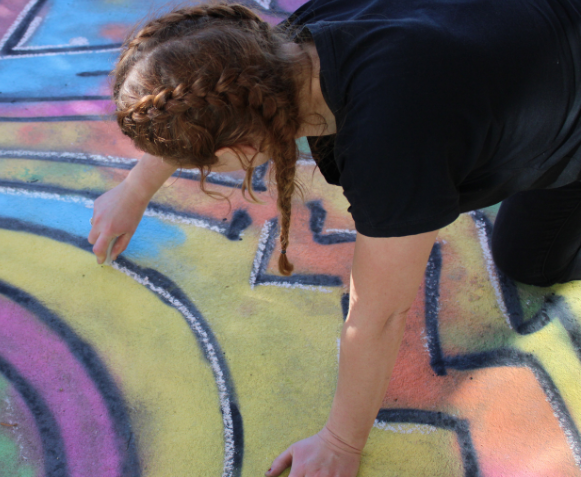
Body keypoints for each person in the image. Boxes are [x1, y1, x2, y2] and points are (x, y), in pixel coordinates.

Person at [86, 0, 581, 475]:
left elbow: (380, 315)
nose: (200, 171)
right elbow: (209, 93)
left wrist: (341, 443)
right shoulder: (293, 46)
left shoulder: (389, 141)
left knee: (532, 261)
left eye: (202, 164)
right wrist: (134, 189)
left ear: (242, 146)